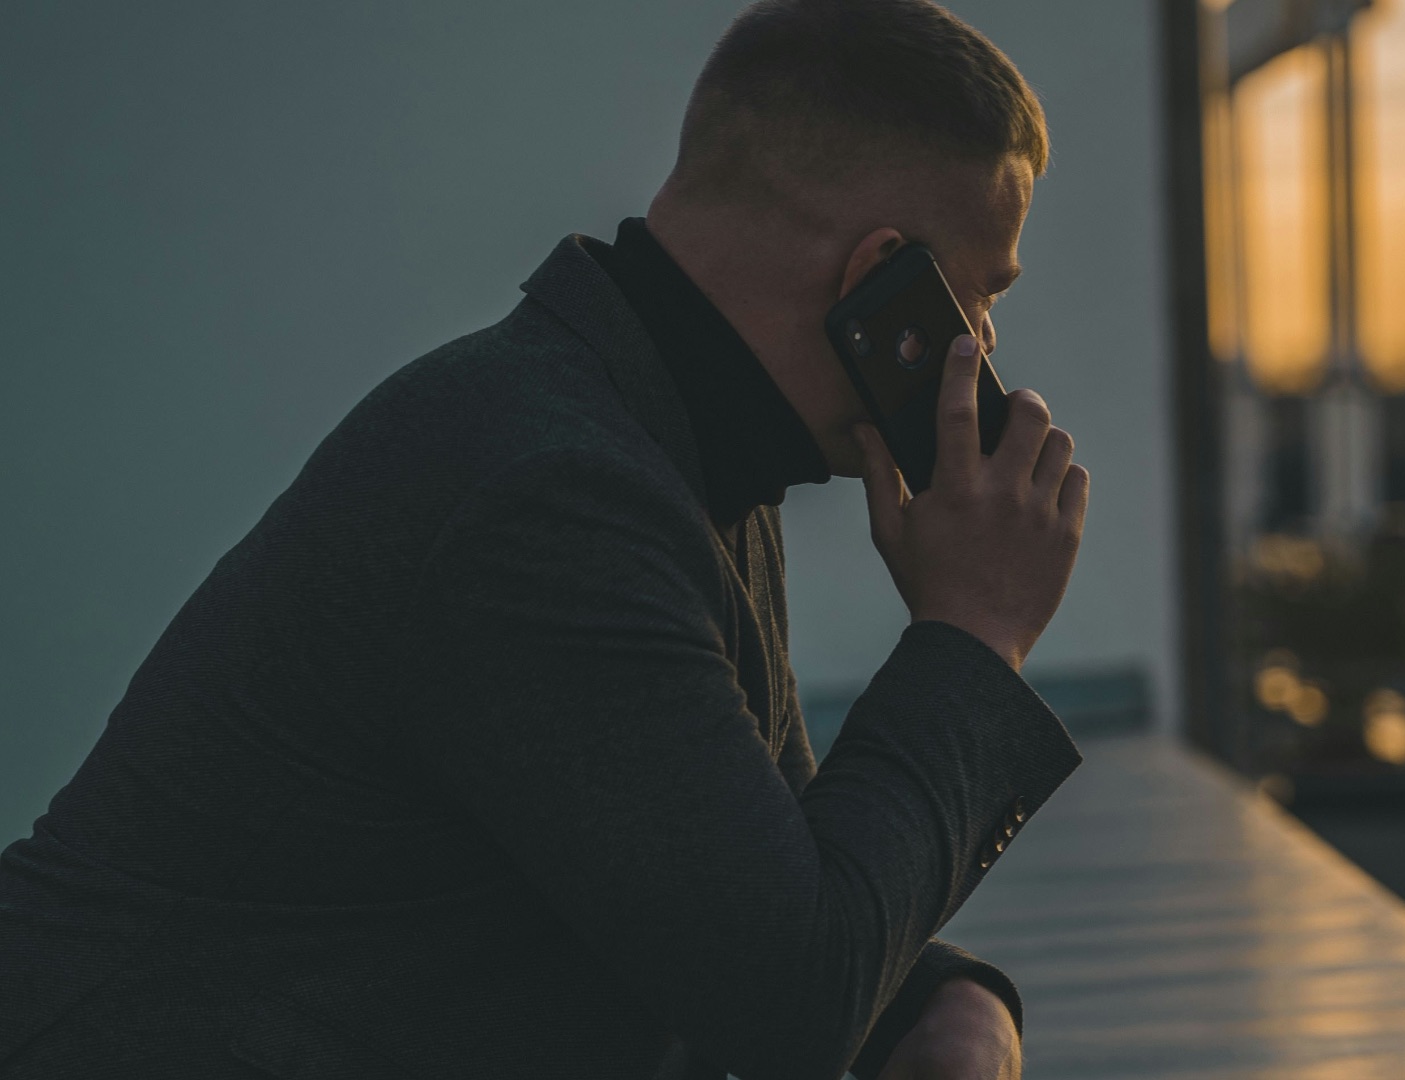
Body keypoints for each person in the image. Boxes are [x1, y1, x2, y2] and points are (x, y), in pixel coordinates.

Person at [0, 2, 1090, 1077]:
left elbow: (747, 874)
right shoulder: (549, 493)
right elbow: (785, 998)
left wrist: (951, 1002)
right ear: (877, 283)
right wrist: (973, 632)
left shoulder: (658, 446)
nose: (984, 350)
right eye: (974, 301)